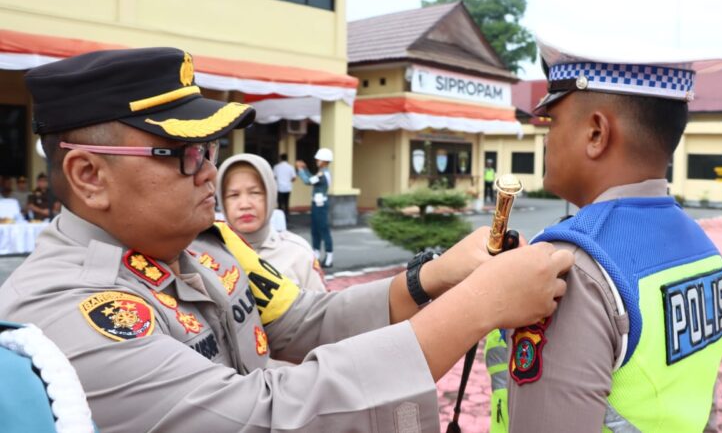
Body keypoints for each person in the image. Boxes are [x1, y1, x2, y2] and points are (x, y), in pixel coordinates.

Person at [0, 47, 573, 432]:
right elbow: (261, 416)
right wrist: (478, 307)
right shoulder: (70, 310)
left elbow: (299, 326)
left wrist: (433, 278)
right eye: (182, 153)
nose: (207, 171)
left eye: (211, 151)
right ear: (89, 177)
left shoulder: (195, 251)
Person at [506, 35, 722, 432]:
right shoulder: (705, 249)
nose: (547, 137)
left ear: (596, 133)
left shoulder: (573, 265)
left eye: (553, 121)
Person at [217, 153, 326, 292]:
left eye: (255, 193)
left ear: (270, 195)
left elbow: (320, 310)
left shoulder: (298, 253)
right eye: (233, 195)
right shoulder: (208, 256)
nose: (244, 205)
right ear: (222, 201)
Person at [296, 148, 334, 267]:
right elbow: (312, 179)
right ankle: (316, 253)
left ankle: (329, 257)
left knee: (323, 230)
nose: (317, 160)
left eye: (319, 159)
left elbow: (308, 181)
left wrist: (301, 170)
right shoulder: (321, 173)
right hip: (317, 204)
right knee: (315, 229)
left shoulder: (323, 175)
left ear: (324, 161)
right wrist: (305, 169)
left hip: (321, 205)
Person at [273, 153, 296, 220]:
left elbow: (274, 177)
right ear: (287, 159)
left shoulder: (276, 167)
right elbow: (294, 178)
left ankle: (279, 219)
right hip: (288, 188)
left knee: (280, 204)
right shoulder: (291, 167)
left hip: (279, 188)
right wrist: (288, 181)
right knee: (286, 203)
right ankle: (287, 218)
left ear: (280, 159)